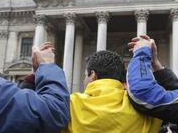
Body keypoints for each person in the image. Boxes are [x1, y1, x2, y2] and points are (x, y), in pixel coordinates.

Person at [21, 50, 162, 132]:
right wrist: (157, 67)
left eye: (85, 76)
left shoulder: (68, 105)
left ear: (93, 75)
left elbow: (26, 114)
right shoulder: (147, 108)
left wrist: (36, 74)